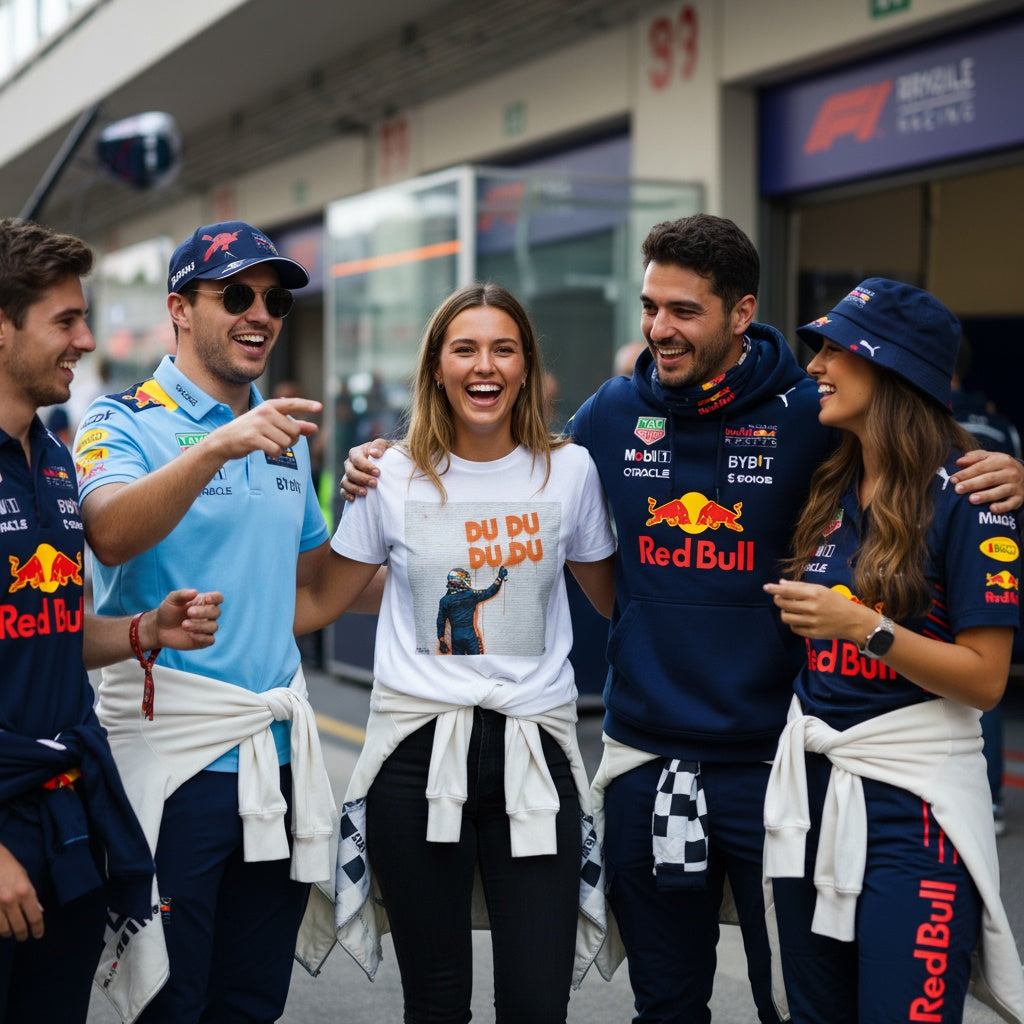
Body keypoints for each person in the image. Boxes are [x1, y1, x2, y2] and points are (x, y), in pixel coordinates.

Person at [340, 216, 1024, 1023]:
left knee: (797, 1003)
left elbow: (920, 459)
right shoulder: (610, 416)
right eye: (649, 306)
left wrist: (1008, 473)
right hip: (646, 761)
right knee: (664, 1004)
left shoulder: (813, 415)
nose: (659, 329)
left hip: (779, 770)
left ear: (741, 313)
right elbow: (518, 480)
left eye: (684, 311)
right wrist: (386, 466)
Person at [293, 282, 617, 1023]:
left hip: (534, 758)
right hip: (416, 759)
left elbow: (616, 602)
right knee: (435, 1002)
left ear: (527, 367)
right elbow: (317, 603)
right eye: (464, 348)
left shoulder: (571, 472)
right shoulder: (388, 475)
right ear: (436, 367)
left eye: (504, 348)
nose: (485, 365)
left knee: (536, 1003)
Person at [73, 221, 336, 1024]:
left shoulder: (283, 436)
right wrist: (216, 447)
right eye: (236, 295)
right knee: (164, 1003)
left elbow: (311, 596)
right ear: (179, 308)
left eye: (276, 298)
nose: (260, 312)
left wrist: (408, 508)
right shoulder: (120, 420)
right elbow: (110, 530)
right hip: (170, 766)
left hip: (276, 764)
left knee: (252, 1003)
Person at [763, 279, 1024, 1023]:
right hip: (811, 794)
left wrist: (860, 627)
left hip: (917, 812)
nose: (815, 366)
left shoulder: (971, 498)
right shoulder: (832, 481)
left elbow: (985, 681)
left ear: (894, 369)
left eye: (836, 350)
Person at [0, 217, 222, 1024]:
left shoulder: (53, 458)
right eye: (64, 321)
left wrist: (143, 632)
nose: (86, 340)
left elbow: (48, 634)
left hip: (66, 818)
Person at [951, 335, 1022, 837]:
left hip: (942, 559)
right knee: (981, 677)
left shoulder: (923, 415)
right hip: (994, 563)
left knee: (977, 676)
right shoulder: (1001, 426)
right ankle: (991, 800)